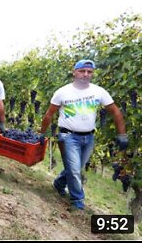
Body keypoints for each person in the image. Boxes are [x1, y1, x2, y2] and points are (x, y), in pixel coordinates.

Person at [39, 59, 128, 210]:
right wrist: (41, 133)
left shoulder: (99, 91)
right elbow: (49, 115)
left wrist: (122, 135)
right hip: (68, 136)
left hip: (89, 137)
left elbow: (115, 112)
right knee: (74, 170)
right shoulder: (62, 92)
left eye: (89, 72)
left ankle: (59, 183)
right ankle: (77, 200)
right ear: (74, 72)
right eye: (82, 71)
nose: (86, 74)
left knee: (76, 168)